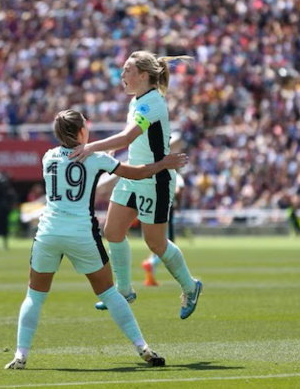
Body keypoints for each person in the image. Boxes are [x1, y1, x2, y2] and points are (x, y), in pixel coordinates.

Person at [4, 109, 188, 370]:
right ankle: (142, 347)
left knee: (35, 296)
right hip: (81, 234)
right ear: (81, 132)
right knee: (111, 294)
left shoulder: (48, 157)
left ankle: (21, 355)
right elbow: (134, 173)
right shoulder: (96, 158)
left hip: (48, 233)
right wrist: (162, 164)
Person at [70, 50, 202, 320]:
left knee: (155, 243)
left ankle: (191, 286)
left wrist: (90, 147)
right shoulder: (139, 100)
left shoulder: (151, 103)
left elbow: (128, 137)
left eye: (127, 70)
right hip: (135, 175)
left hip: (155, 179)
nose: (122, 75)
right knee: (113, 231)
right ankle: (124, 290)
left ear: (143, 75)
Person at [141, 173, 185, 286]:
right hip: (166, 208)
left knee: (156, 242)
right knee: (168, 243)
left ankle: (150, 278)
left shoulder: (156, 172)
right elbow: (178, 191)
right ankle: (151, 262)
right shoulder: (175, 175)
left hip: (152, 206)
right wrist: (178, 205)